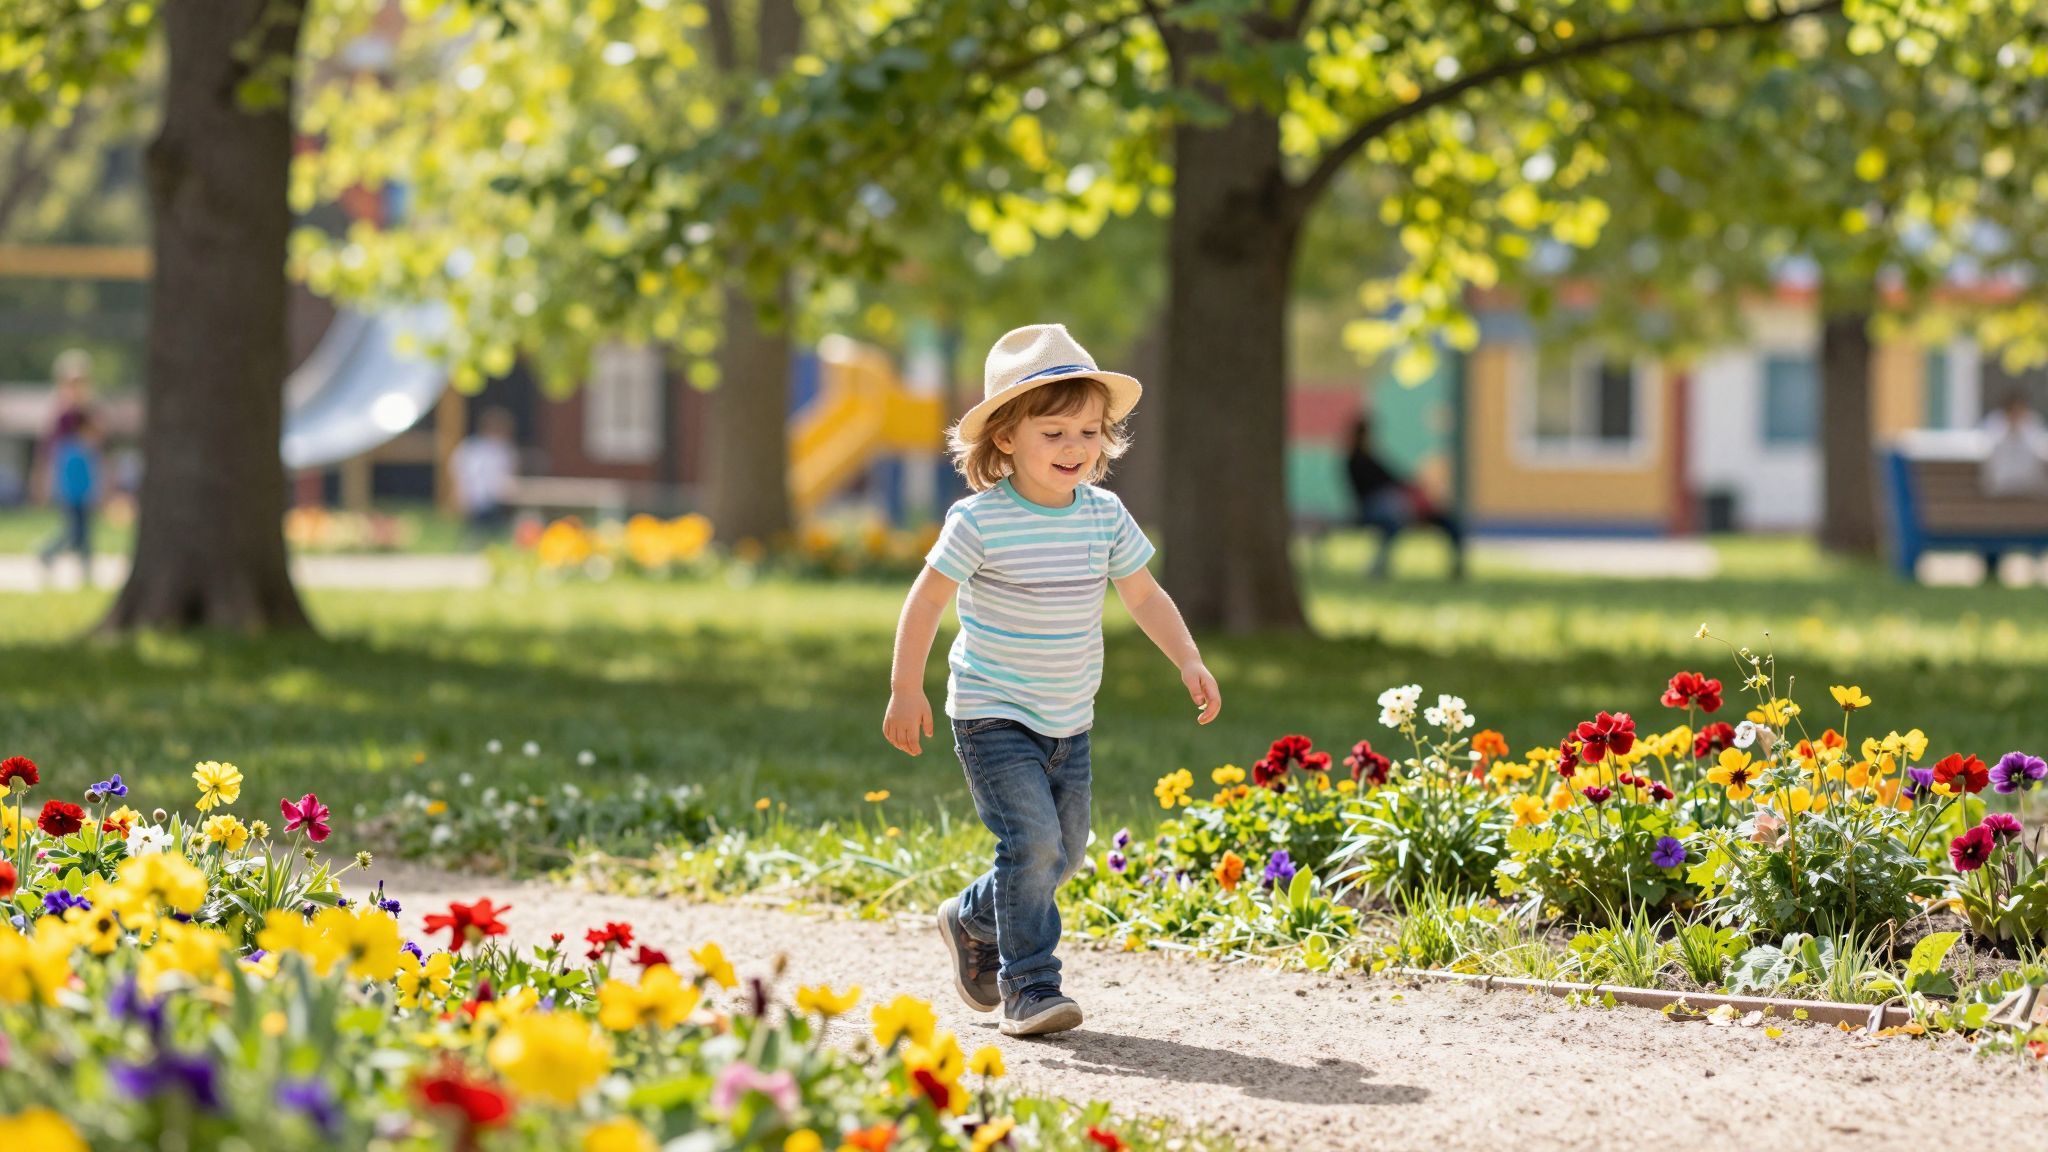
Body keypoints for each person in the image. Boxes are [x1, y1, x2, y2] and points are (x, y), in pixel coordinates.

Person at [882, 323, 1221, 1037]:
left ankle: (970, 917)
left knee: (1064, 852)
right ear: (1005, 437)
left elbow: (1144, 596)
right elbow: (927, 601)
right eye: (1055, 432)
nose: (1076, 448)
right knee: (1032, 845)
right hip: (992, 713)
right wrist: (904, 688)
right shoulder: (979, 521)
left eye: (1089, 432)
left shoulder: (1104, 517)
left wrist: (1187, 657)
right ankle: (1031, 987)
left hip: (1070, 719)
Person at [1346, 412, 1465, 580]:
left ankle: (1457, 569)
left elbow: (1397, 479)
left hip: (1402, 508)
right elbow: (1378, 487)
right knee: (1391, 522)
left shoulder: (1373, 458)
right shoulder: (1356, 461)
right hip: (1379, 509)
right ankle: (1378, 567)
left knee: (1449, 522)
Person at [36, 351, 102, 585]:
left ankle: (86, 569)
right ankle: (47, 552)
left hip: (84, 475)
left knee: (85, 526)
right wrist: (42, 478)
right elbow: (50, 449)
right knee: (73, 527)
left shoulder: (88, 412)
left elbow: (96, 441)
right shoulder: (62, 415)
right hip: (68, 476)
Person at [449, 407, 520, 543]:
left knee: (493, 532)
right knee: (479, 531)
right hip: (477, 498)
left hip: (494, 500)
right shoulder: (473, 449)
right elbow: (461, 472)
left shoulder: (503, 449)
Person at [1980, 389, 2048, 498]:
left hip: (2029, 484)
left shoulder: (2033, 421)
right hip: (2001, 484)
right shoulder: (1995, 421)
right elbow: (1990, 448)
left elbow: (2039, 448)